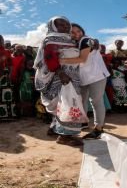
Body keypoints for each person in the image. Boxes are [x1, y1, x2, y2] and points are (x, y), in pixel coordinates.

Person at [34, 16, 83, 146]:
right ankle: (65, 136)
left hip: (70, 77)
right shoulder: (50, 40)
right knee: (67, 104)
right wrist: (61, 74)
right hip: (61, 77)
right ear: (53, 27)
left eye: (67, 24)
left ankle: (54, 129)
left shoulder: (70, 40)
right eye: (61, 25)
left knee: (61, 104)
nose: (65, 27)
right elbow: (50, 59)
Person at [60, 23, 110, 139]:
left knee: (96, 102)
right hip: (83, 77)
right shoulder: (74, 43)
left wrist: (61, 60)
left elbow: (82, 59)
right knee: (82, 101)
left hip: (97, 76)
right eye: (73, 32)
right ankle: (83, 122)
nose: (77, 34)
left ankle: (99, 129)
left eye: (79, 31)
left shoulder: (86, 40)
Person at [0, 35, 16, 120]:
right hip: (3, 74)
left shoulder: (7, 52)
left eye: (1, 40)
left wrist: (9, 74)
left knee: (6, 95)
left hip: (5, 76)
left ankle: (7, 115)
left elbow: (11, 65)